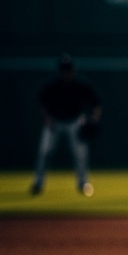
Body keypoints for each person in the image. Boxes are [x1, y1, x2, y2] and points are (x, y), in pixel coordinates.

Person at [31, 54, 102, 197]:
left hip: (75, 121)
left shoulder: (81, 84)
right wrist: (47, 118)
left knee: (80, 155)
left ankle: (83, 183)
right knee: (44, 152)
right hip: (54, 121)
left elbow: (96, 103)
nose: (67, 73)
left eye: (68, 70)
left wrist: (93, 118)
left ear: (73, 70)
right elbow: (42, 102)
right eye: (64, 70)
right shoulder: (53, 85)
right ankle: (38, 183)